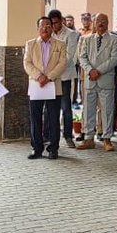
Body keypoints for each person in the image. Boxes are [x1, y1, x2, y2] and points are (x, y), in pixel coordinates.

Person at [24, 16, 67, 160]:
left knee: (53, 118)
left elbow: (62, 64)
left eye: (48, 26)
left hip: (53, 85)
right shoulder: (30, 44)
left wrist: (48, 77)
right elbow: (27, 63)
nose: (45, 29)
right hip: (36, 86)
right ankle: (36, 148)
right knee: (35, 118)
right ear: (38, 29)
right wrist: (39, 76)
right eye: (42, 26)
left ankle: (53, 148)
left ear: (52, 27)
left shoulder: (60, 44)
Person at [78, 13, 117, 152]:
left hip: (105, 79)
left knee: (107, 110)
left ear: (108, 23)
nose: (101, 23)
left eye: (104, 20)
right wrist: (90, 70)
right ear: (93, 23)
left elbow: (114, 59)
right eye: (98, 21)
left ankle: (107, 139)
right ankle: (88, 138)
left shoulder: (114, 39)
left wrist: (98, 71)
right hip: (90, 79)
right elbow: (82, 57)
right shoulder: (87, 39)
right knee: (88, 110)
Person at [49, 10, 80, 147]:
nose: (54, 26)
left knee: (66, 107)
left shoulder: (71, 34)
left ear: (61, 20)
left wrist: (52, 68)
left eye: (56, 22)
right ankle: (49, 135)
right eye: (52, 23)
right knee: (49, 107)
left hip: (64, 76)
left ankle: (68, 136)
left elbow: (68, 57)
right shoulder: (48, 33)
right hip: (50, 77)